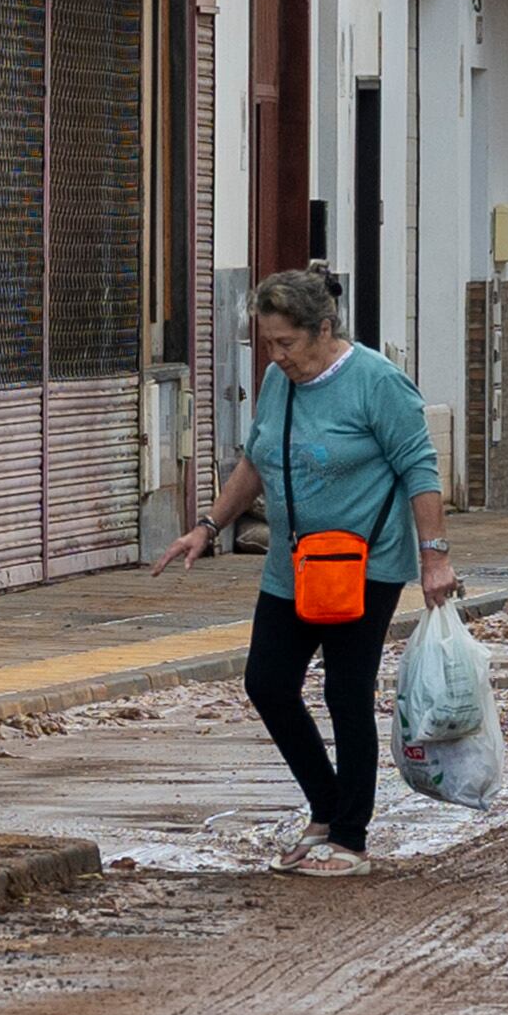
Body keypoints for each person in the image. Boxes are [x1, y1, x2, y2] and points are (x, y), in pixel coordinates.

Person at [154, 270, 456, 878]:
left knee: (346, 693)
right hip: (294, 565)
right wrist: (207, 527)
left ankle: (350, 839)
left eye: (287, 342)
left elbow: (421, 470)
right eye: (268, 343)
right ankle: (325, 806)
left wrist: (435, 557)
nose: (277, 355)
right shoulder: (278, 382)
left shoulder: (376, 383)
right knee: (266, 683)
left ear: (324, 329)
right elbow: (257, 462)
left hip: (365, 566)